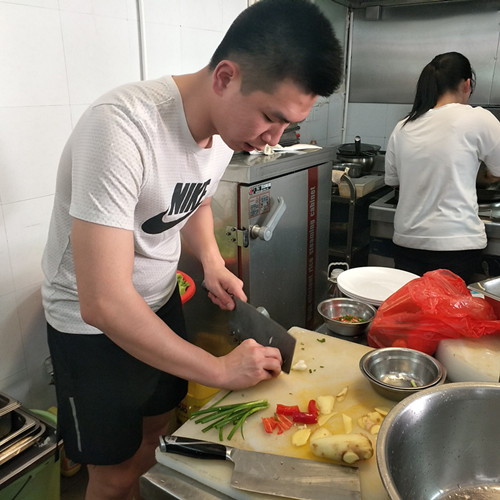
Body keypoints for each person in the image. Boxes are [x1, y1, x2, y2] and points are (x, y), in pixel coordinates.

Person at [41, 1, 343, 498]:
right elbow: (104, 303)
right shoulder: (119, 128)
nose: (273, 140)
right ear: (225, 77)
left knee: (156, 434)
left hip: (158, 301)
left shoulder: (225, 131)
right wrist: (220, 369)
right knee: (112, 475)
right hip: (90, 326)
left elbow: (194, 198)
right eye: (271, 118)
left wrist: (210, 261)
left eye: (287, 126)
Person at [385, 51, 500, 284]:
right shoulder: (478, 118)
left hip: (407, 242)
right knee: (449, 308)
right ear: (467, 85)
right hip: (456, 245)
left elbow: (393, 181)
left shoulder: (403, 126)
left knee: (413, 307)